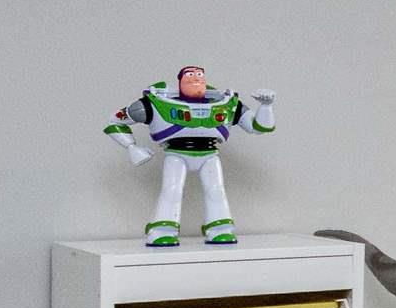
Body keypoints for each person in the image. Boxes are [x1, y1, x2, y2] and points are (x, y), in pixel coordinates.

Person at [105, 65, 276, 247]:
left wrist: (266, 106)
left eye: (200, 75)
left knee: (216, 189)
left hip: (209, 154)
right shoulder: (154, 102)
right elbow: (115, 121)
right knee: (172, 189)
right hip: (176, 153)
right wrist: (131, 146)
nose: (196, 78)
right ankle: (162, 230)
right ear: (180, 81)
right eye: (190, 75)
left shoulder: (227, 104)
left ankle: (220, 229)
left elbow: (258, 127)